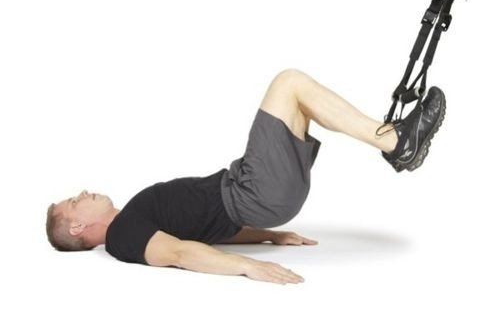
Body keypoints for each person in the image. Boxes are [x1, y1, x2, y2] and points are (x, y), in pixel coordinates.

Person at [46, 68, 446, 285]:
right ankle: (396, 142)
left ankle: (394, 142)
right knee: (289, 83)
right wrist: (245, 266)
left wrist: (268, 236)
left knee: (299, 101)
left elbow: (203, 229)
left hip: (255, 196)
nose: (83, 192)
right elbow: (180, 254)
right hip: (252, 191)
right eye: (75, 201)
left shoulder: (133, 221)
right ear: (78, 227)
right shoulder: (123, 236)